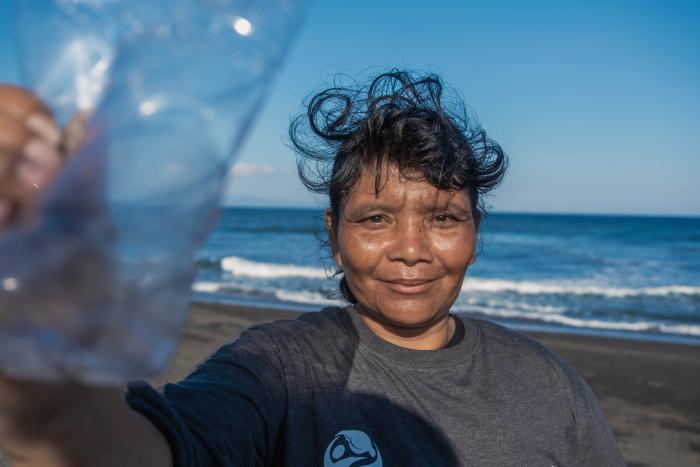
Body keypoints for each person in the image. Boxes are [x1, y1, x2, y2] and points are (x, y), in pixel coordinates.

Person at [0, 71, 626, 466]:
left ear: (474, 234)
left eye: (442, 218)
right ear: (333, 237)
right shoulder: (280, 370)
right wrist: (49, 389)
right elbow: (155, 448)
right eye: (375, 219)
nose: (412, 249)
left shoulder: (548, 384)